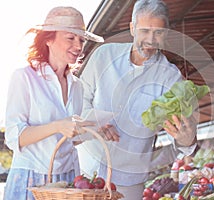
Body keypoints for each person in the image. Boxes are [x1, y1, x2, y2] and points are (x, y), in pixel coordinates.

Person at [80, 0, 198, 199]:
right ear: (132, 28)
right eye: (144, 31)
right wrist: (95, 121)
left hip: (129, 181)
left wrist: (186, 140)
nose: (151, 40)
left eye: (158, 32)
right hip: (85, 169)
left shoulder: (171, 78)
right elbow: (78, 100)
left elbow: (182, 133)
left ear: (166, 33)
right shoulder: (104, 56)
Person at [3, 6, 103, 199]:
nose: (78, 46)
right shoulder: (25, 77)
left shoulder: (77, 86)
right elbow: (15, 137)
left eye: (81, 40)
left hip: (67, 179)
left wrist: (95, 131)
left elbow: (68, 139)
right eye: (70, 38)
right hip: (31, 179)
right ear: (48, 39)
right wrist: (58, 125)